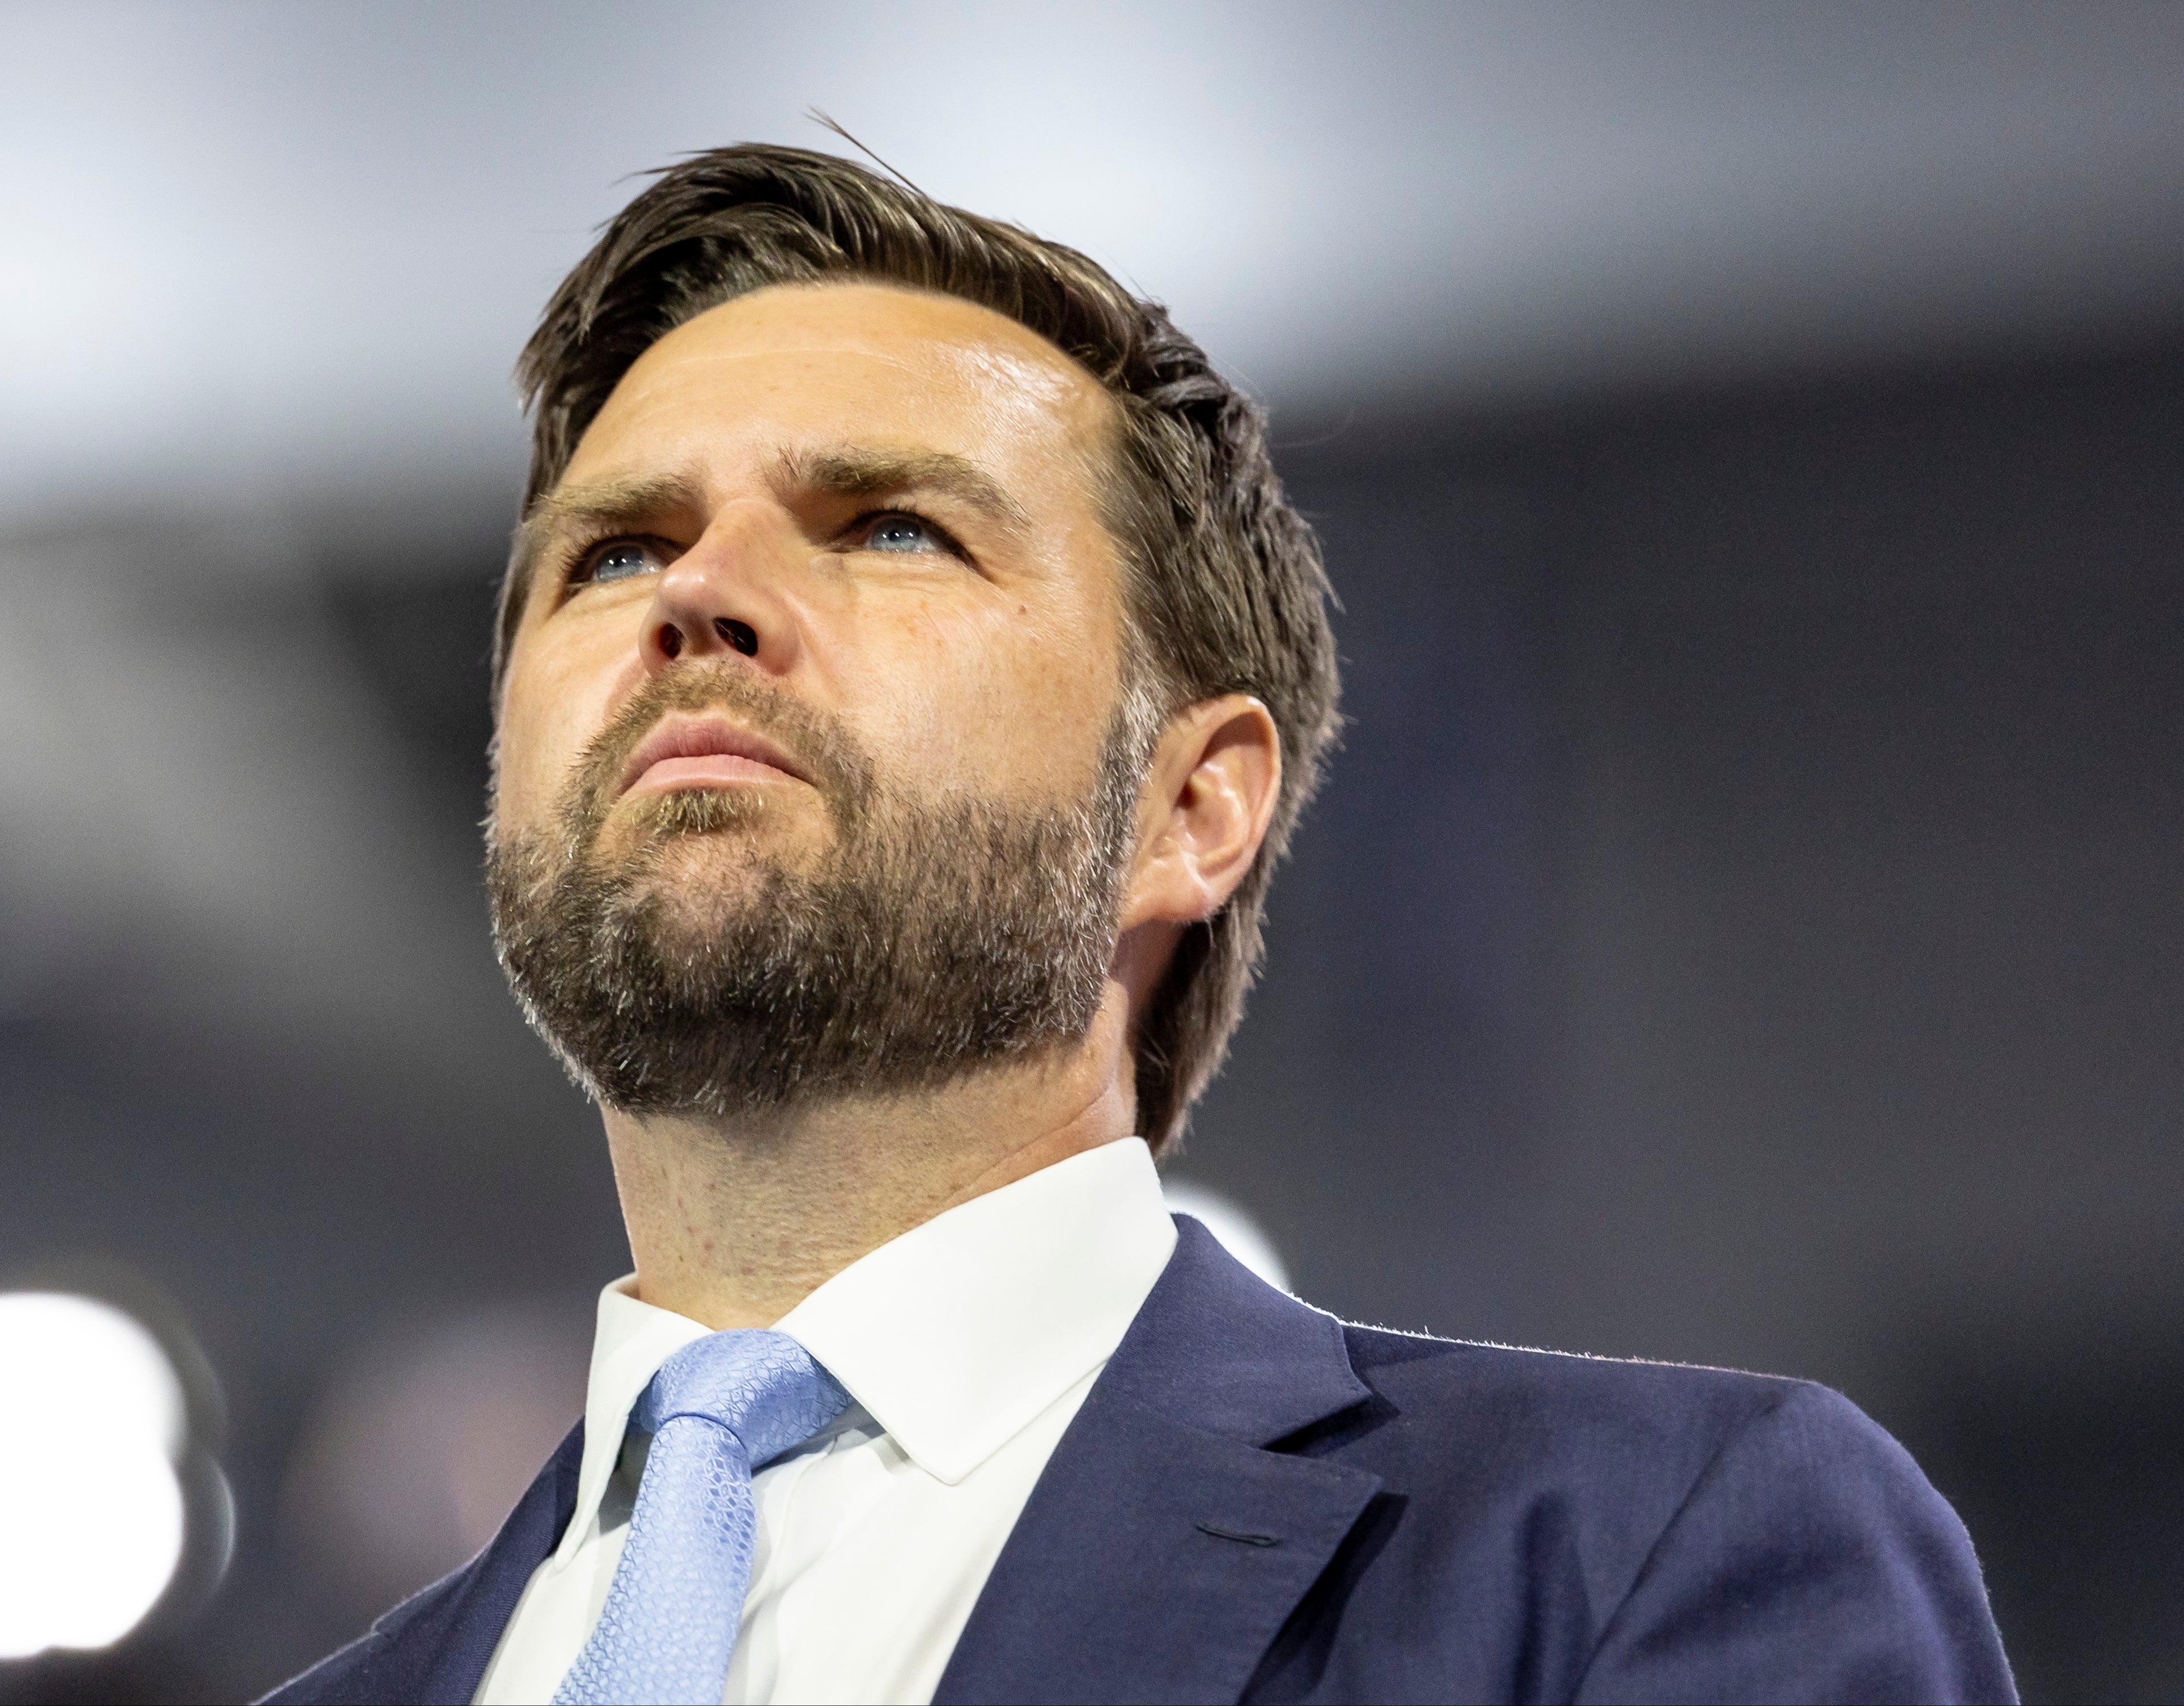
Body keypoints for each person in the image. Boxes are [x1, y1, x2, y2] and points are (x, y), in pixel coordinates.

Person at [266, 145, 2014, 1706]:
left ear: (1192, 805)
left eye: (888, 524)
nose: (703, 593)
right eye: (617, 555)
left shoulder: (1634, 1556)